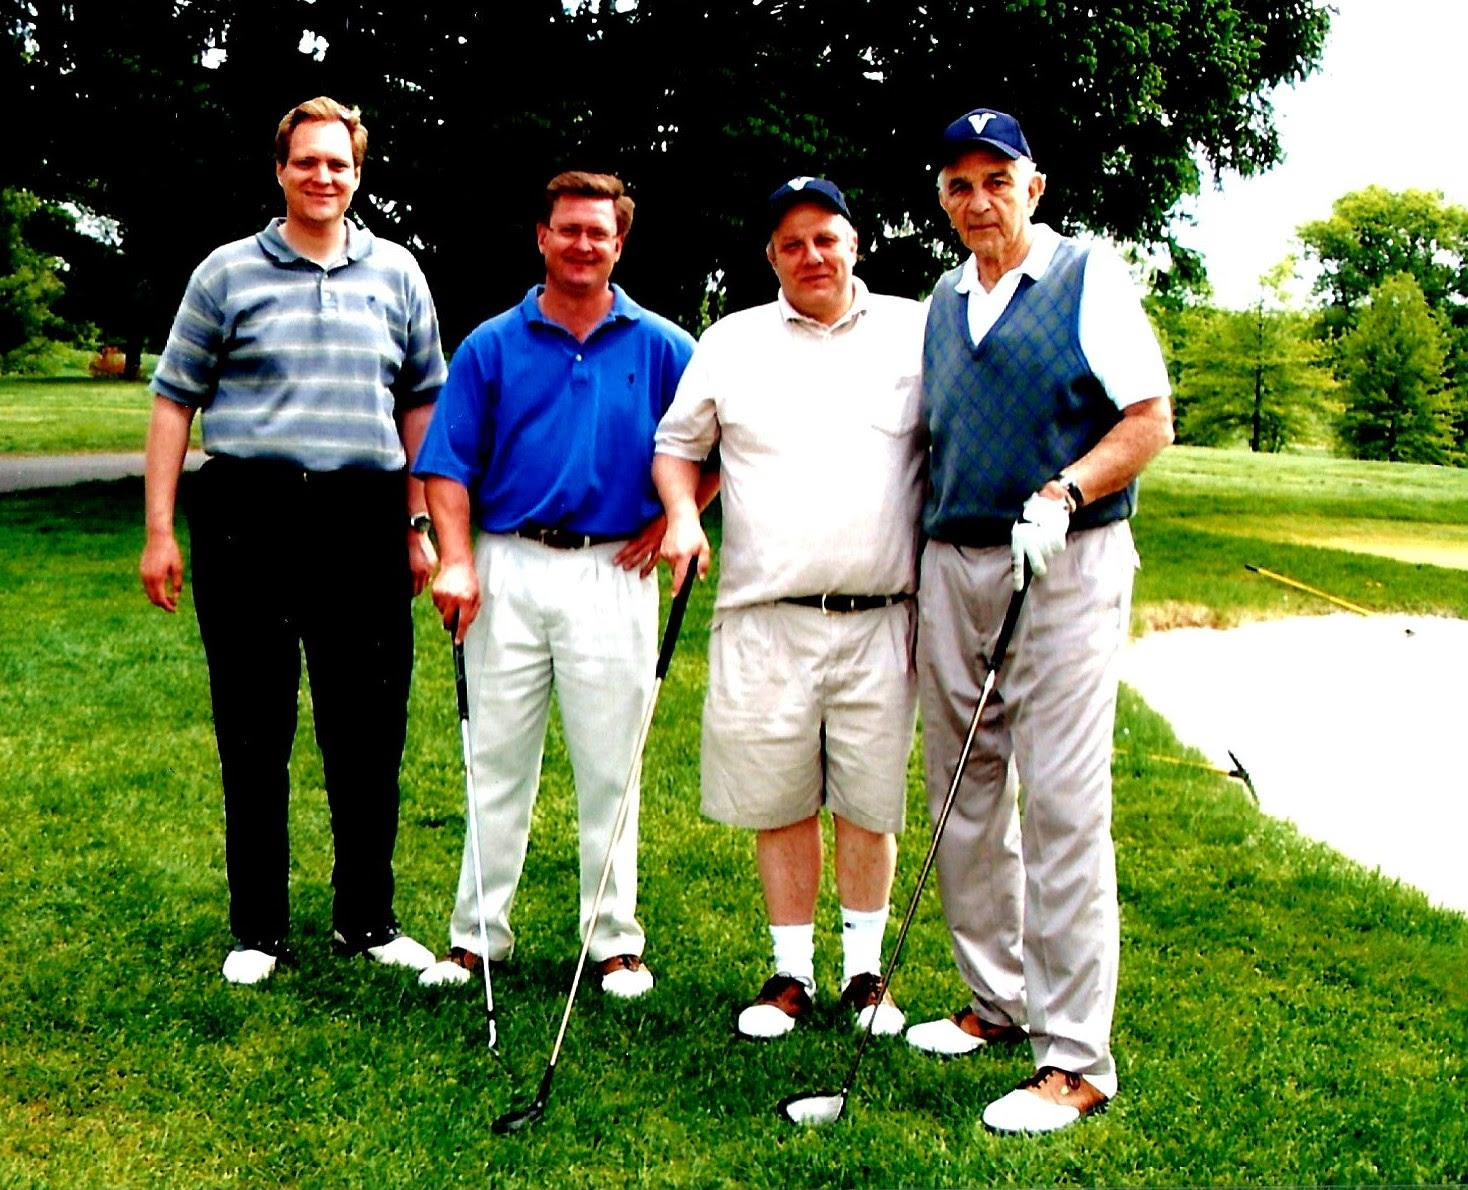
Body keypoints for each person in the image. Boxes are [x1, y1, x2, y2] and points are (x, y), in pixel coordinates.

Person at [904, 108, 1173, 1133]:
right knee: (961, 789)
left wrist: (1063, 490)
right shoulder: (940, 298)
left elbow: (1147, 418)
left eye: (995, 180)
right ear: (942, 197)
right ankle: (995, 1000)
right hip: (957, 557)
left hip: (1065, 557)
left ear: (1035, 186)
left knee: (1059, 799)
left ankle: (1075, 1057)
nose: (978, 200)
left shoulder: (1086, 276)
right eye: (958, 182)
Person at [140, 96, 447, 985]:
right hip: (249, 514)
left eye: (338, 164)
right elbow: (173, 400)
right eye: (306, 162)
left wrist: (419, 524)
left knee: (369, 727)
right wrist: (160, 531)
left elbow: (423, 403)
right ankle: (259, 928)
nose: (323, 177)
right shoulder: (226, 273)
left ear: (357, 175)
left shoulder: (397, 275)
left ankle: (368, 919)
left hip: (364, 514)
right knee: (254, 723)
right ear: (280, 170)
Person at [414, 171, 710, 997]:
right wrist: (457, 559)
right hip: (507, 563)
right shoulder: (490, 344)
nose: (584, 244)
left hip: (616, 568)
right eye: (568, 229)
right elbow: (445, 465)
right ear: (541, 237)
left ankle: (612, 940)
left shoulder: (663, 345)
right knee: (496, 758)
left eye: (600, 232)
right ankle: (477, 936)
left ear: (620, 243)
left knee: (613, 765)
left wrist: (675, 516)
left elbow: (714, 444)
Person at [654, 177, 928, 1039]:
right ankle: (789, 975)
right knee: (779, 798)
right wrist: (680, 519)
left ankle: (863, 975)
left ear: (856, 243)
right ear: (771, 256)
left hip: (884, 612)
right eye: (792, 244)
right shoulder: (732, 342)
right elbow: (677, 446)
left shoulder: (917, 333)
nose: (812, 255)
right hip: (766, 615)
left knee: (869, 800)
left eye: (827, 238)